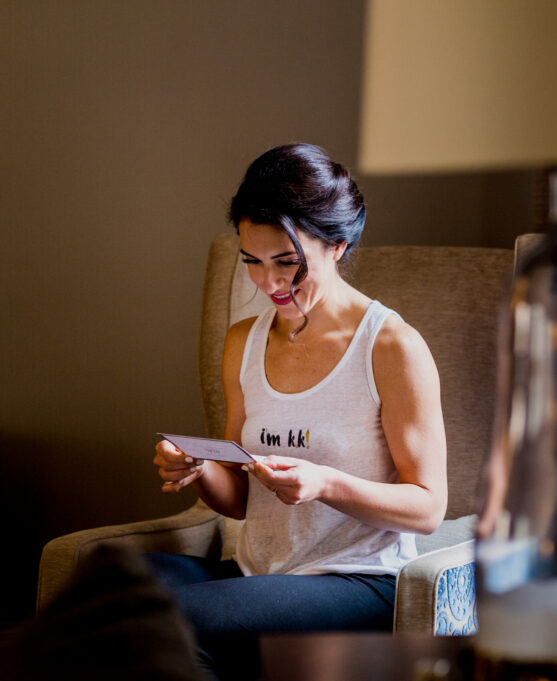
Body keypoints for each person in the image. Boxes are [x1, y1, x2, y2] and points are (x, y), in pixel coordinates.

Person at [149, 143, 447, 681]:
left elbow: (427, 508)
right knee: (104, 594)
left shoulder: (391, 346)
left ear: (337, 244)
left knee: (170, 624)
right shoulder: (245, 340)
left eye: (287, 262)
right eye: (253, 263)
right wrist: (199, 468)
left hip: (358, 582)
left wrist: (324, 483)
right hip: (258, 574)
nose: (269, 284)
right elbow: (238, 501)